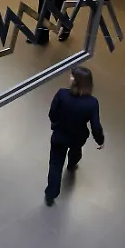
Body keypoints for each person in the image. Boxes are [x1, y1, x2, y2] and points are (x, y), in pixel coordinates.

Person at [44, 66, 104, 206]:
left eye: (72, 76)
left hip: (59, 135)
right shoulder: (92, 103)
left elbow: (52, 114)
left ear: (77, 81)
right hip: (78, 137)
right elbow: (95, 125)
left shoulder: (62, 94)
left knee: (55, 164)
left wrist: (56, 123)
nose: (70, 77)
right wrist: (100, 140)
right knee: (76, 151)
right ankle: (72, 164)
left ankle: (51, 194)